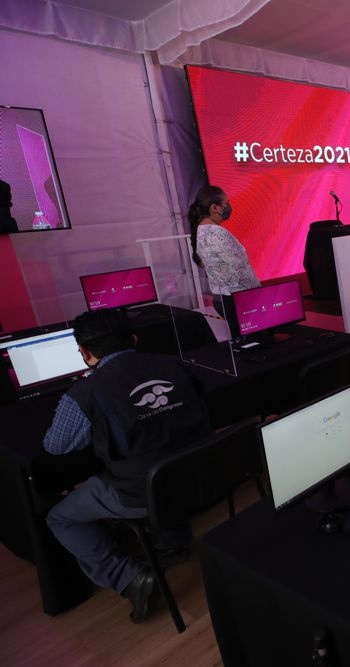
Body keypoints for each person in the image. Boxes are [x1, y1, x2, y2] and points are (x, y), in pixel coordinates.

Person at [44, 309, 210, 623]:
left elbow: (55, 446)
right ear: (134, 339)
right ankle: (172, 543)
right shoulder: (175, 364)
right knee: (156, 459)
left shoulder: (84, 394)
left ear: (85, 353)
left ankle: (128, 576)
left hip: (142, 493)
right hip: (201, 474)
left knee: (60, 517)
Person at [188, 185, 260, 315]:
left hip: (222, 298)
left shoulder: (200, 232)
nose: (229, 207)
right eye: (226, 204)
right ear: (214, 208)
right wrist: (260, 293)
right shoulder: (217, 233)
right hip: (239, 300)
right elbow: (238, 270)